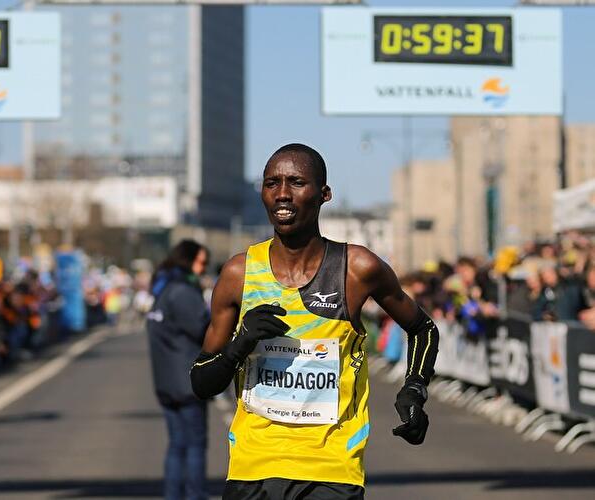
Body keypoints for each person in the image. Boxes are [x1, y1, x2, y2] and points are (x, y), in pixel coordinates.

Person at [190, 143, 439, 500]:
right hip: (253, 467)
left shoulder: (356, 268)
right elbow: (201, 381)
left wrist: (415, 389)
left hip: (331, 469)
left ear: (324, 194)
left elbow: (423, 329)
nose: (282, 195)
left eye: (296, 183)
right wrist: (240, 344)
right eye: (271, 183)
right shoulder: (238, 273)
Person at [147, 239, 211, 500]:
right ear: (189, 260)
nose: (203, 269)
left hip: (165, 382)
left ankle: (173, 495)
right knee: (195, 445)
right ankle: (195, 496)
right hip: (186, 382)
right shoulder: (182, 292)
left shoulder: (162, 289)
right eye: (201, 262)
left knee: (177, 445)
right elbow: (204, 328)